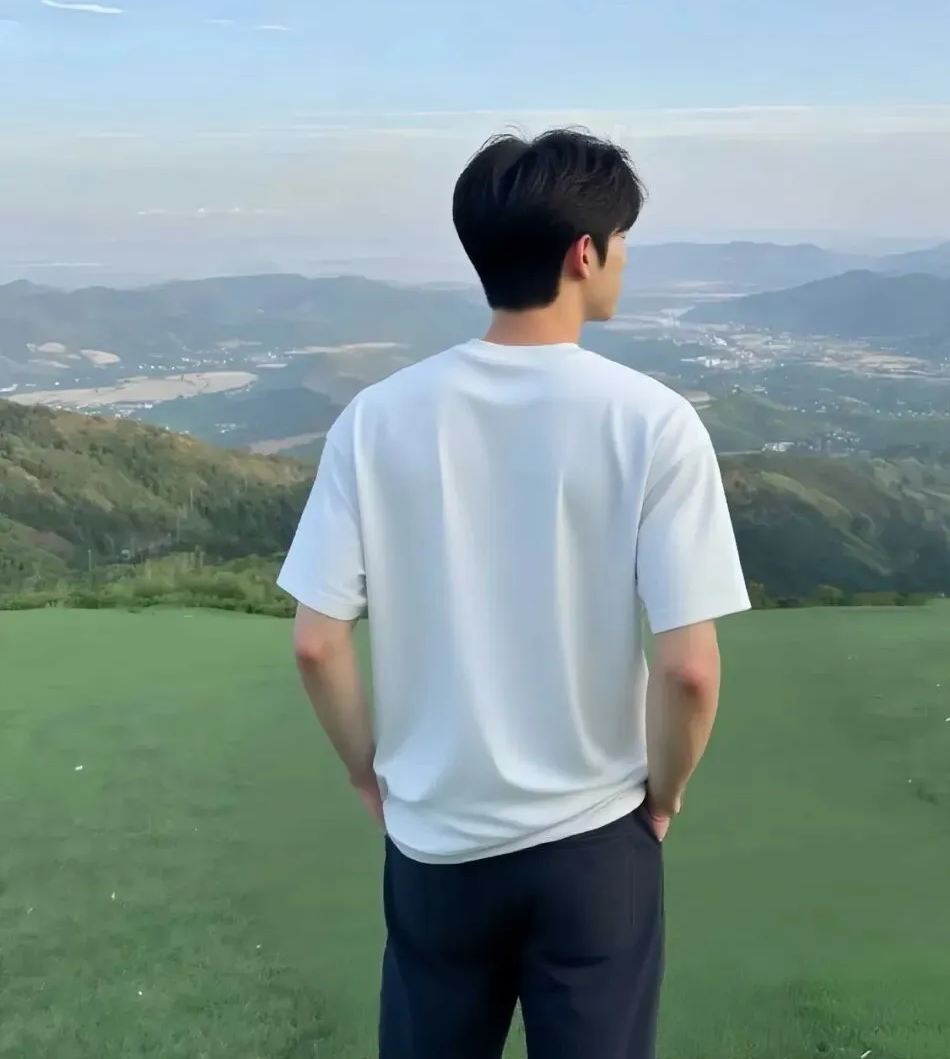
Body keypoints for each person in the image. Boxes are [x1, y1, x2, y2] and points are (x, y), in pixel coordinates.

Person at [276, 128, 751, 1059]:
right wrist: (663, 798)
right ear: (585, 255)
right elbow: (690, 671)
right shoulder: (654, 422)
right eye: (622, 238)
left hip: (434, 844)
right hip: (595, 845)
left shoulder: (374, 420)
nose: (625, 257)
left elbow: (316, 642)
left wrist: (366, 774)